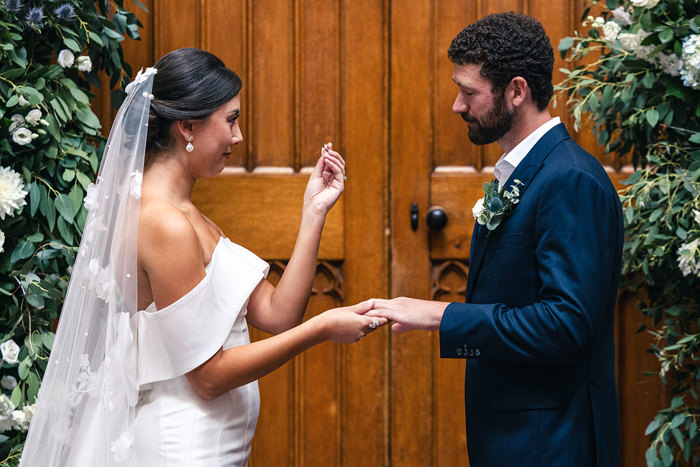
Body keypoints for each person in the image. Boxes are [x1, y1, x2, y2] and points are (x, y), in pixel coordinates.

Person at [20, 48, 386, 466]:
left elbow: (276, 313)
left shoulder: (187, 215)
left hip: (209, 441)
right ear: (188, 126)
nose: (238, 136)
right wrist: (321, 329)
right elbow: (207, 377)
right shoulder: (164, 224)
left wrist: (314, 212)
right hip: (182, 447)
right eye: (230, 120)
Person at [367, 12, 623, 467]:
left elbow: (567, 327)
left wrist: (444, 316)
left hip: (550, 442)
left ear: (517, 91)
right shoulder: (525, 171)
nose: (457, 106)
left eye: (469, 92)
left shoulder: (569, 180)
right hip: (514, 434)